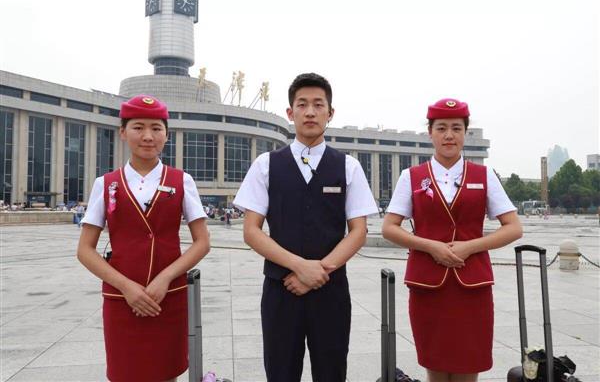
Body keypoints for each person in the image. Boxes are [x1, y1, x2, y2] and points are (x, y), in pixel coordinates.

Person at [234, 73, 378, 382]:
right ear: (290, 112)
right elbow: (251, 230)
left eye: (318, 105)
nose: (310, 112)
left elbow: (358, 231)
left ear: (330, 113)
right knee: (280, 373)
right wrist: (300, 267)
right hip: (281, 288)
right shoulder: (266, 165)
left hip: (331, 290)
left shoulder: (348, 166)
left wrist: (319, 272)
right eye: (302, 105)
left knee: (332, 372)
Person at [382, 98, 522, 382]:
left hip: (472, 286)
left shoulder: (484, 176)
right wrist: (430, 246)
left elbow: (513, 228)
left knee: (468, 363)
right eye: (441, 128)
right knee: (434, 363)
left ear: (465, 133)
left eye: (456, 128)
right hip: (427, 286)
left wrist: (471, 246)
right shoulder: (412, 177)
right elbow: (389, 228)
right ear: (430, 133)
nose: (449, 135)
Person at [76, 95, 210, 382]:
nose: (148, 136)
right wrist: (126, 287)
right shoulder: (106, 183)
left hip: (168, 297)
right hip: (121, 299)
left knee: (166, 372)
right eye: (138, 127)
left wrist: (165, 278)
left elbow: (202, 241)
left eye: (156, 128)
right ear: (123, 132)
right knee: (125, 373)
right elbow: (85, 250)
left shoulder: (182, 180)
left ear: (166, 135)